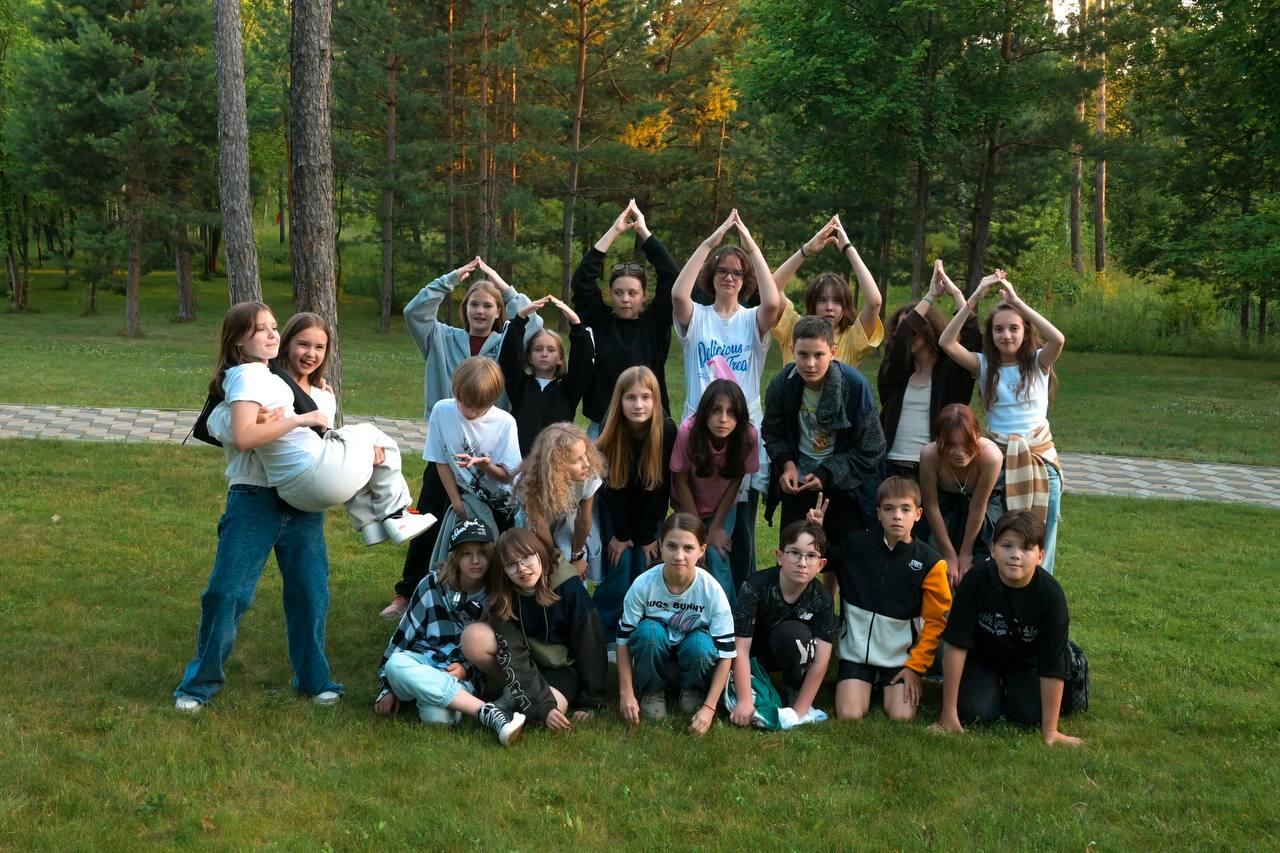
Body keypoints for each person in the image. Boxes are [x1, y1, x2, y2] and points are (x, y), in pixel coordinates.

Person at [173, 310, 345, 713]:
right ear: (286, 345)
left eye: (319, 347)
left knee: (310, 594)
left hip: (303, 506)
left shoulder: (324, 396)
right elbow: (219, 424)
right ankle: (198, 685)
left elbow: (321, 449)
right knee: (226, 593)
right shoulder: (255, 379)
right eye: (302, 344)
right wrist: (256, 421)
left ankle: (314, 680)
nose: (310, 354)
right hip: (253, 498)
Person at [202, 302, 434, 547]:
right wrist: (293, 420)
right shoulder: (249, 375)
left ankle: (371, 525)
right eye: (303, 344)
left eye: (274, 327)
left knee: (363, 445)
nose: (310, 353)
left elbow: (319, 440)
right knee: (372, 434)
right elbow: (227, 427)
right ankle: (397, 514)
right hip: (263, 486)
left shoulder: (311, 391)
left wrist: (364, 454)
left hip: (296, 488)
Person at [672, 208, 783, 587]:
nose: (729, 277)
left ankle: (740, 604)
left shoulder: (752, 320)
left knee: (739, 533)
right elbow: (678, 293)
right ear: (712, 276)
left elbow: (773, 303)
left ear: (745, 280)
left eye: (737, 273)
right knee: (691, 526)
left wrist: (750, 246)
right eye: (722, 271)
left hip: (741, 436)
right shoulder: (697, 317)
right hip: (698, 435)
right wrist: (711, 242)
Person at [938, 270, 1066, 573]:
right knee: (1000, 534)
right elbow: (946, 341)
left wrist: (1017, 302)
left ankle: (1040, 588)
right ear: (991, 335)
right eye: (998, 329)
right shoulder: (983, 365)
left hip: (1040, 462)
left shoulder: (1038, 362)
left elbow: (1058, 338)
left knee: (1042, 534)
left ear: (1025, 332)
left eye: (1013, 328)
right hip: (998, 463)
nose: (1006, 335)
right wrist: (975, 297)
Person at [384, 357, 521, 618]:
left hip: (495, 500)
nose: (470, 412)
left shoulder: (505, 423)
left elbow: (507, 477)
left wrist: (485, 466)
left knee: (493, 550)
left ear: (492, 400)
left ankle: (498, 603)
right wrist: (456, 503)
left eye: (478, 408)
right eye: (465, 403)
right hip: (452, 484)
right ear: (455, 391)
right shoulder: (442, 410)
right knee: (430, 533)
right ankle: (415, 595)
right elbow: (440, 459)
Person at [373, 516, 528, 746]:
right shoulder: (431, 585)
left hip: (459, 676)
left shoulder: (497, 593)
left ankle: (431, 693)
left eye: (482, 553)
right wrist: (386, 689)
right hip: (421, 662)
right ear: (455, 557)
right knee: (395, 665)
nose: (475, 561)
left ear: (491, 554)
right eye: (466, 554)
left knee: (437, 717)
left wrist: (466, 668)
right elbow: (400, 641)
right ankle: (488, 713)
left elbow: (497, 650)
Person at [933, 511, 1083, 746]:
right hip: (982, 659)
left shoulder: (1051, 596)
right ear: (992, 550)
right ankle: (987, 691)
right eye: (1007, 546)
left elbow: (1052, 663)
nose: (1015, 555)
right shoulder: (975, 581)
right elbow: (956, 644)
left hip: (1028, 663)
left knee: (1031, 715)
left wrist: (1050, 731)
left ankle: (1016, 692)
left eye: (1026, 548)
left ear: (1040, 556)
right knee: (975, 711)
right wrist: (948, 714)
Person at [813, 477, 951, 722]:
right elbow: (820, 560)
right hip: (856, 652)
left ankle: (886, 684)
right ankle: (863, 682)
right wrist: (816, 531)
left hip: (900, 658)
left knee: (901, 716)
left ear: (918, 514)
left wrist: (916, 667)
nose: (897, 516)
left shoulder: (930, 563)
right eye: (889, 509)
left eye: (905, 509)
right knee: (849, 714)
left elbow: (935, 622)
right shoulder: (856, 545)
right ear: (878, 514)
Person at [460, 529, 608, 731]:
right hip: (525, 660)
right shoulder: (504, 595)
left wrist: (591, 700)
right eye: (511, 564)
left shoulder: (568, 586)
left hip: (563, 666)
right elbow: (513, 653)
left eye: (527, 557)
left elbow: (590, 643)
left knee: (549, 713)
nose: (522, 568)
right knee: (473, 637)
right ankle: (514, 692)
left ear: (540, 554)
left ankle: (515, 700)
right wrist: (540, 704)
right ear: (503, 569)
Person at [616, 513, 736, 736]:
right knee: (648, 632)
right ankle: (651, 691)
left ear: (702, 550)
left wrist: (710, 708)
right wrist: (626, 693)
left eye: (688, 548)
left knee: (701, 644)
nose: (679, 556)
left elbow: (727, 654)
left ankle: (693, 690)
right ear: (660, 546)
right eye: (671, 546)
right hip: (655, 655)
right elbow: (622, 640)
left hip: (693, 658)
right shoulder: (643, 584)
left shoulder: (712, 591)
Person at [761, 315, 885, 531]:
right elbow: (772, 432)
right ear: (792, 350)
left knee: (841, 549)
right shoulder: (782, 384)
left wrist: (828, 473)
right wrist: (787, 464)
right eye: (803, 354)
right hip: (798, 485)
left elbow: (872, 447)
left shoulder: (854, 386)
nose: (810, 363)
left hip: (844, 489)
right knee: (796, 547)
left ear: (833, 352)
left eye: (819, 355)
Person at [571, 199, 681, 430]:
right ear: (610, 293)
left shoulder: (655, 323)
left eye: (632, 293)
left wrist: (643, 232)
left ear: (644, 295)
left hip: (648, 424)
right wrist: (614, 231)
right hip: (604, 424)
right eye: (618, 292)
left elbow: (672, 277)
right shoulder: (599, 321)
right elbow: (582, 281)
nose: (625, 299)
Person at [403, 255, 544, 423]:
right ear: (465, 308)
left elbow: (533, 324)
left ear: (498, 311)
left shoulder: (508, 345)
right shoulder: (441, 338)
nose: (480, 311)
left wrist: (505, 289)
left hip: (491, 429)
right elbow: (415, 312)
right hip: (446, 426)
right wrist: (449, 280)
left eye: (487, 305)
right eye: (474, 304)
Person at [593, 366, 677, 641]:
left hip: (650, 511)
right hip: (615, 509)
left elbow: (659, 489)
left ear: (656, 400)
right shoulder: (610, 429)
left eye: (645, 397)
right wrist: (621, 535)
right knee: (621, 561)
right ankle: (604, 633)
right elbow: (612, 490)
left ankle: (641, 628)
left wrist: (646, 536)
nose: (638, 405)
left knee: (645, 560)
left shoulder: (666, 430)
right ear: (619, 400)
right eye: (630, 397)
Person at [879, 260, 980, 480]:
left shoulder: (951, 373)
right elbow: (901, 337)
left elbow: (973, 339)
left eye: (915, 327)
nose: (908, 334)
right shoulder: (896, 374)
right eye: (902, 329)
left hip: (934, 470)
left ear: (929, 329)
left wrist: (955, 294)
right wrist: (930, 296)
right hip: (890, 467)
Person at [728, 520, 835, 728]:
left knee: (792, 634)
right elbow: (740, 647)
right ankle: (754, 686)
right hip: (755, 654)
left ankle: (796, 689)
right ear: (779, 556)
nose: (802, 562)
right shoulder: (755, 586)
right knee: (749, 699)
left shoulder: (822, 598)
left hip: (792, 650)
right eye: (794, 553)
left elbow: (821, 660)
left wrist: (800, 711)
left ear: (821, 564)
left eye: (811, 556)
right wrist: (744, 701)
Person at [669, 379, 758, 604]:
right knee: (693, 556)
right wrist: (699, 531)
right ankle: (690, 609)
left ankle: (729, 616)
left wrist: (717, 527)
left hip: (723, 506)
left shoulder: (747, 435)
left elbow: (737, 479)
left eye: (731, 412)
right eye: (716, 410)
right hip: (688, 503)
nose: (723, 419)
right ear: (705, 412)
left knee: (717, 555)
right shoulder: (688, 432)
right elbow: (680, 481)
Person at [770, 215, 883, 367]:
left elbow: (874, 302)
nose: (829, 307)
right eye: (822, 300)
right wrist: (807, 250)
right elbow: (772, 288)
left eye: (837, 301)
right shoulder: (794, 327)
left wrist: (848, 248)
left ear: (845, 306)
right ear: (812, 302)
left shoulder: (852, 338)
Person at [497, 294, 593, 456]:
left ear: (560, 358)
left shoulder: (568, 388)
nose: (544, 354)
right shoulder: (520, 385)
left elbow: (583, 362)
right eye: (538, 349)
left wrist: (576, 324)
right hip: (522, 460)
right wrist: (520, 319)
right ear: (529, 357)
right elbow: (508, 358)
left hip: (558, 460)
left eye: (551, 350)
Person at [919, 404, 1003, 586]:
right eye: (951, 445)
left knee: (983, 556)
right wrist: (949, 555)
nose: (959, 452)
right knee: (932, 554)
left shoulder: (991, 456)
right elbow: (931, 506)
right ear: (938, 440)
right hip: (943, 504)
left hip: (983, 506)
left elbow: (978, 507)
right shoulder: (929, 455)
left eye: (966, 443)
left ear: (977, 435)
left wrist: (966, 554)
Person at [513, 423, 606, 581]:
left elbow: (583, 521)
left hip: (568, 517)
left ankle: (575, 589)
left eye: (585, 454)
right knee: (543, 566)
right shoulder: (527, 484)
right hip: (534, 525)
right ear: (556, 465)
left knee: (571, 558)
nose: (587, 464)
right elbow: (539, 526)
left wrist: (577, 556)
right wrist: (558, 560)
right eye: (578, 460)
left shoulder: (587, 475)